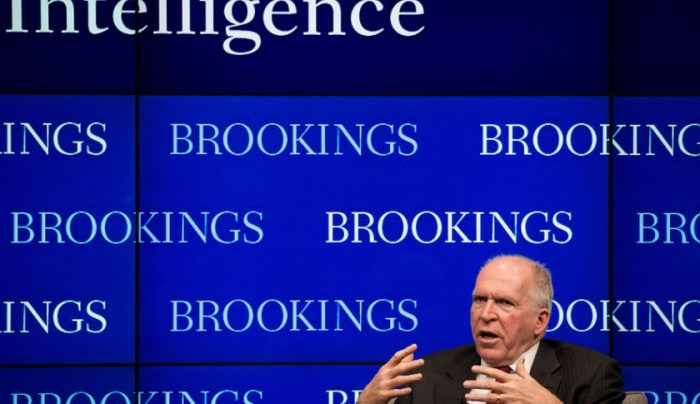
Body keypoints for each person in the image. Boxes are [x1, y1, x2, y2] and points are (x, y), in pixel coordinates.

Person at [357, 254, 625, 404]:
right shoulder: (427, 376)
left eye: (505, 303)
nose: (486, 314)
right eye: (479, 300)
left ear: (540, 321)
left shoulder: (591, 375)